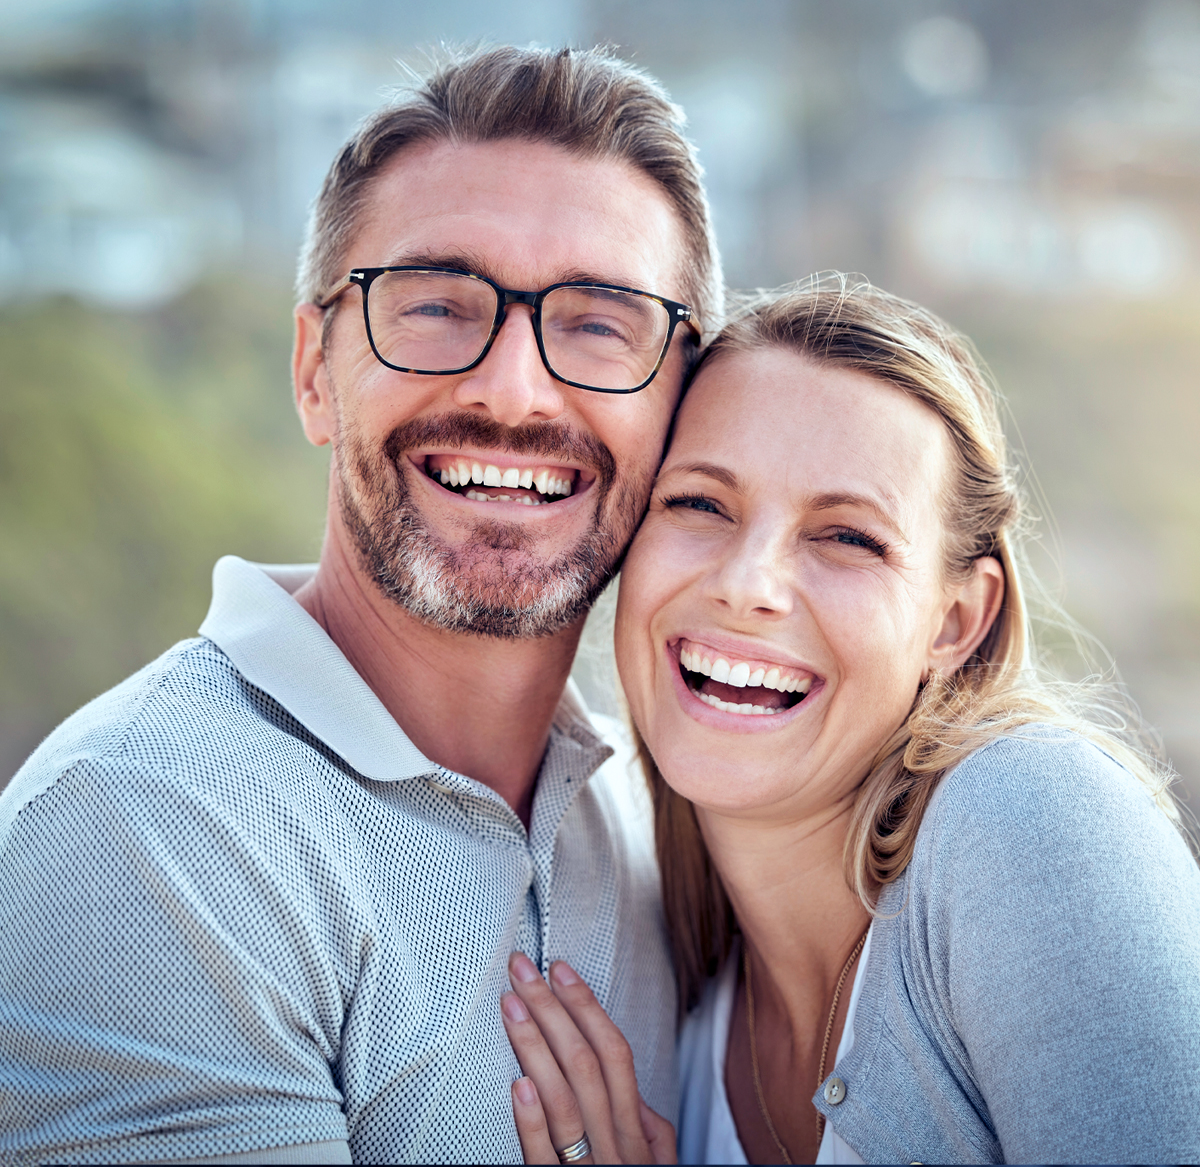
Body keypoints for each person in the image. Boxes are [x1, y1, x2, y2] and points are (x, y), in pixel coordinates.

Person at [0, 45, 722, 1165]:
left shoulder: (663, 826)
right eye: (437, 304)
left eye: (597, 323)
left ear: (682, 401)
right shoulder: (145, 828)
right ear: (313, 372)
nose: (514, 390)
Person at [500, 275, 1200, 1165]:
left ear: (956, 621)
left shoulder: (1032, 823)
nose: (746, 583)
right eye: (700, 504)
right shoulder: (669, 976)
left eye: (848, 537)